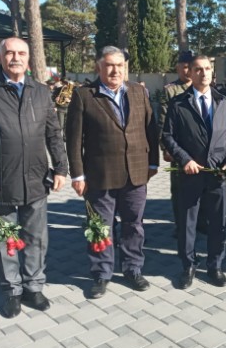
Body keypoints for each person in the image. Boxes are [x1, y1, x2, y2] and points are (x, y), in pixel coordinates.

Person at [0, 37, 68, 318]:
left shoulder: (41, 92)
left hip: (36, 179)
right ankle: (11, 290)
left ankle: (34, 286)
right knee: (4, 239)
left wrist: (60, 167)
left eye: (21, 53)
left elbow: (53, 134)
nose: (16, 57)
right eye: (10, 53)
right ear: (0, 58)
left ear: (29, 58)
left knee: (36, 237)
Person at [66, 46, 159, 299]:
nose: (115, 70)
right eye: (109, 65)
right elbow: (73, 139)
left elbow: (151, 128)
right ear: (99, 67)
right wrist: (77, 175)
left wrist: (153, 162)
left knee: (134, 224)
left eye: (119, 65)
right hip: (100, 175)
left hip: (136, 173)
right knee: (101, 227)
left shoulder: (139, 92)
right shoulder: (84, 95)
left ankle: (132, 268)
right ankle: (101, 273)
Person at [162, 55, 226, 289]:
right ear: (190, 73)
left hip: (217, 174)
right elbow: (167, 136)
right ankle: (188, 266)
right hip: (190, 174)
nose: (203, 73)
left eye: (207, 69)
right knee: (188, 222)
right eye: (198, 69)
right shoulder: (179, 103)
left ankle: (215, 265)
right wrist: (184, 159)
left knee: (217, 223)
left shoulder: (225, 103)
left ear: (212, 72)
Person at [159, 51, 209, 236]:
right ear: (178, 68)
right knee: (180, 189)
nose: (188, 70)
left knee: (204, 185)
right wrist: (165, 148)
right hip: (179, 149)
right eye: (185, 66)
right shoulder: (171, 90)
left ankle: (201, 222)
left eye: (191, 66)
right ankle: (181, 225)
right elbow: (163, 121)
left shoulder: (205, 87)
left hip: (202, 148)